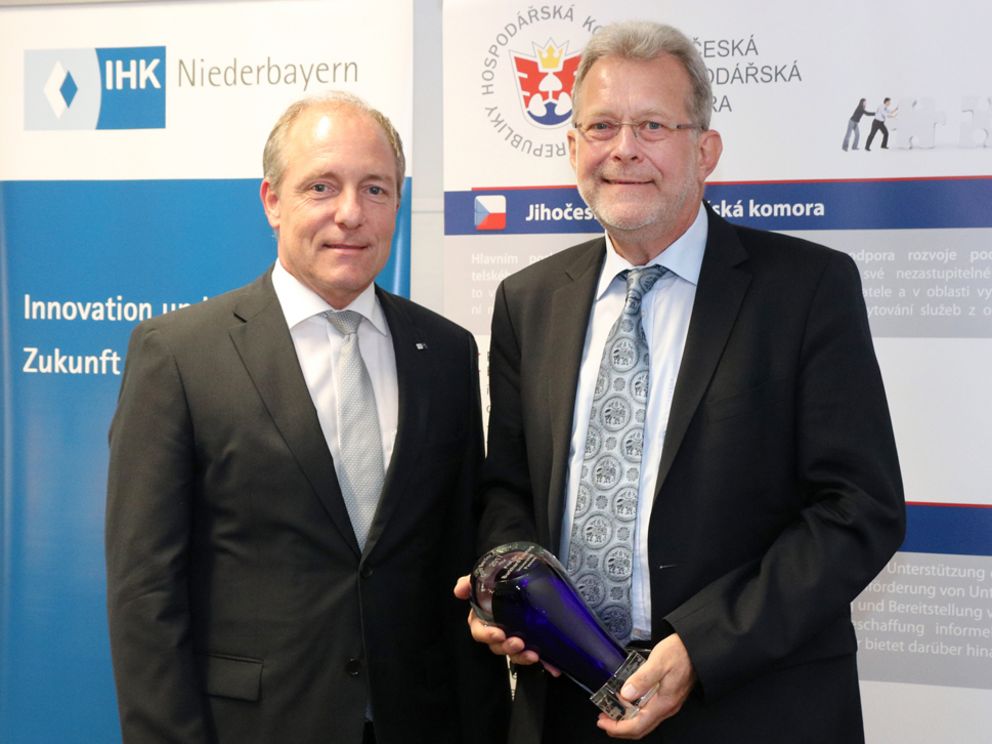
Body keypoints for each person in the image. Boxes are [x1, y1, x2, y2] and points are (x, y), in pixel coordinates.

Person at [455, 21, 904, 743]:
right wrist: (510, 589)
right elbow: (508, 490)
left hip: (751, 703)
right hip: (565, 708)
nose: (624, 148)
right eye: (601, 125)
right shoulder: (528, 301)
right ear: (572, 149)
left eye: (653, 125)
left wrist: (703, 647)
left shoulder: (807, 289)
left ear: (705, 151)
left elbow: (858, 510)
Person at [106, 92, 510, 744]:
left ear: (398, 204)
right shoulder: (178, 355)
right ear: (272, 200)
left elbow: (455, 562)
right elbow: (145, 594)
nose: (350, 214)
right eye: (321, 186)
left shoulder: (446, 352)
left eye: (375, 189)